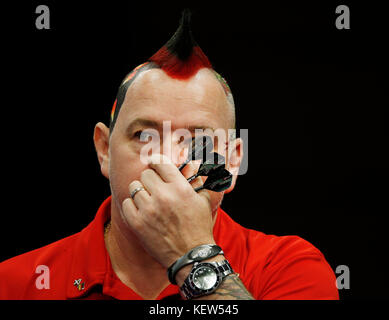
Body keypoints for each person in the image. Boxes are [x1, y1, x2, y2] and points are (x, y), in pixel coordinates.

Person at [0, 10, 339, 300]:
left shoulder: (290, 268)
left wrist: (192, 256)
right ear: (104, 151)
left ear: (233, 162)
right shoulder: (17, 282)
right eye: (144, 135)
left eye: (198, 141)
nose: (168, 161)